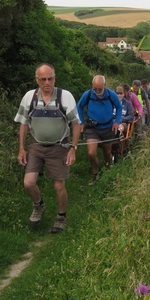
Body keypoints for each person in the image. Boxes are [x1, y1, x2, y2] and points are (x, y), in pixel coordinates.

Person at [15, 63, 81, 233]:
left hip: (59, 146)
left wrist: (73, 148)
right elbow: (23, 124)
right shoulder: (29, 97)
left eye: (50, 78)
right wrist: (22, 149)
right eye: (43, 79)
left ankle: (61, 216)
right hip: (36, 146)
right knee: (28, 183)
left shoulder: (64, 96)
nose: (47, 82)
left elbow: (76, 124)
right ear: (37, 80)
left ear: (54, 78)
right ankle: (39, 206)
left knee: (59, 186)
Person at [77, 75, 122, 184]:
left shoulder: (111, 95)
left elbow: (119, 107)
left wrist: (116, 122)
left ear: (104, 86)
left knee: (107, 151)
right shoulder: (88, 95)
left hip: (107, 128)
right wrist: (81, 122)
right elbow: (79, 106)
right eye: (95, 88)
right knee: (91, 153)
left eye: (100, 89)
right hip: (93, 128)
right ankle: (95, 172)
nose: (97, 91)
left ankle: (107, 169)